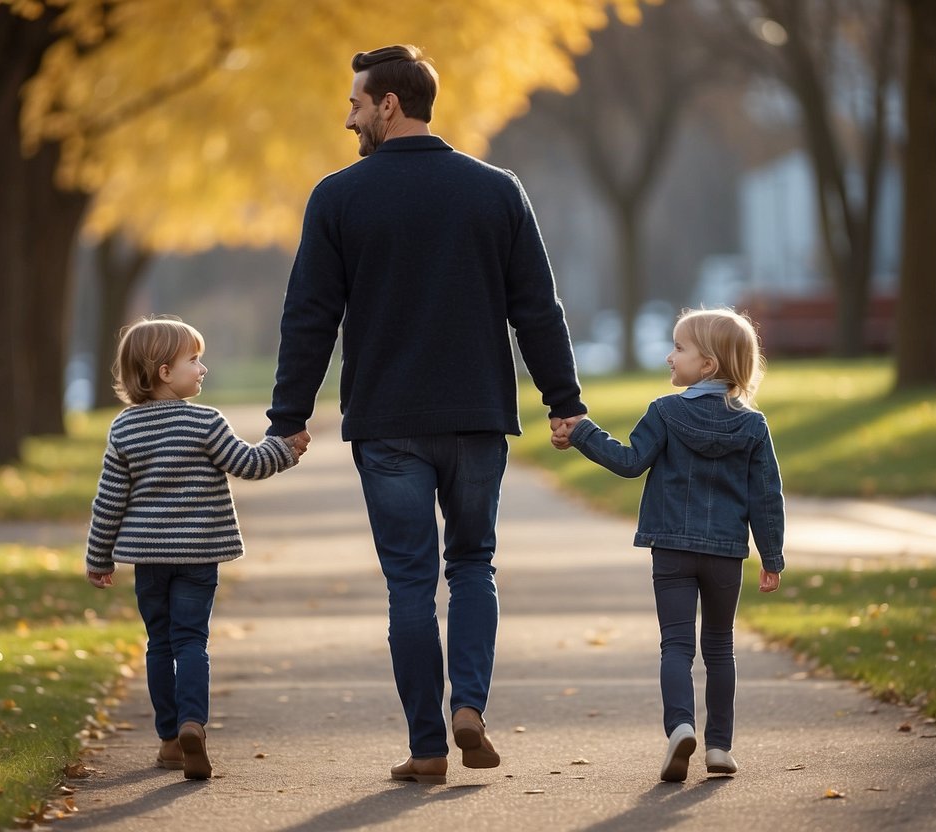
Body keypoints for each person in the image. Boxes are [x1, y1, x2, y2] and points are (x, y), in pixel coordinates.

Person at [266, 44, 587, 784]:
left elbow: (309, 316)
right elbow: (536, 309)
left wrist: (289, 417)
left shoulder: (338, 197)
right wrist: (562, 402)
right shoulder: (496, 190)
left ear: (388, 103)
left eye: (355, 103)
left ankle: (426, 748)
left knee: (410, 584)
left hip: (387, 426)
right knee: (473, 564)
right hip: (477, 417)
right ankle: (467, 703)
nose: (347, 118)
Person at [551, 308, 784, 782]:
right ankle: (719, 747)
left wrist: (583, 432)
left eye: (679, 348)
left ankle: (680, 726)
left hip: (672, 549)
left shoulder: (665, 411)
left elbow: (630, 461)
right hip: (724, 554)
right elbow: (767, 497)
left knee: (675, 646)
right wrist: (772, 556)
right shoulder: (753, 426)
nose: (668, 356)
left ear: (708, 365)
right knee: (720, 647)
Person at [86, 315, 310, 780]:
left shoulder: (124, 430)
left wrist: (99, 557)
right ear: (165, 372)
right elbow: (247, 464)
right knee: (191, 641)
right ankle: (193, 723)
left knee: (158, 643)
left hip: (149, 560)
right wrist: (285, 449)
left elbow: (109, 500)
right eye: (194, 359)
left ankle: (169, 739)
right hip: (198, 556)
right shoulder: (205, 422)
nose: (202, 368)